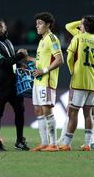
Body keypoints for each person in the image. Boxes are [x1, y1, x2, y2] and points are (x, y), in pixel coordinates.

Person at [59, 19, 94, 149]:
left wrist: (72, 70)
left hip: (79, 81)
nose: (79, 26)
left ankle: (66, 144)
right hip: (93, 83)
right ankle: (87, 144)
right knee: (88, 114)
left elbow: (69, 57)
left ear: (85, 26)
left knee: (73, 112)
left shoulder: (78, 38)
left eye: (81, 24)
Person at [0, 19, 29, 151]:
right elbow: (3, 62)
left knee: (20, 110)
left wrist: (20, 64)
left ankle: (20, 140)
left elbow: (11, 61)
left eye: (0, 26)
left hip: (13, 83)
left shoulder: (8, 42)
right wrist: (20, 55)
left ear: (5, 27)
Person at [25, 12, 64, 152]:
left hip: (46, 81)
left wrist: (44, 71)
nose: (37, 26)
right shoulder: (42, 40)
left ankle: (53, 144)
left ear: (48, 24)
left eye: (40, 23)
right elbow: (41, 62)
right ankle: (44, 142)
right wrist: (28, 58)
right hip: (38, 81)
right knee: (38, 110)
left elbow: (60, 60)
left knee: (47, 110)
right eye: (36, 23)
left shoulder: (52, 39)